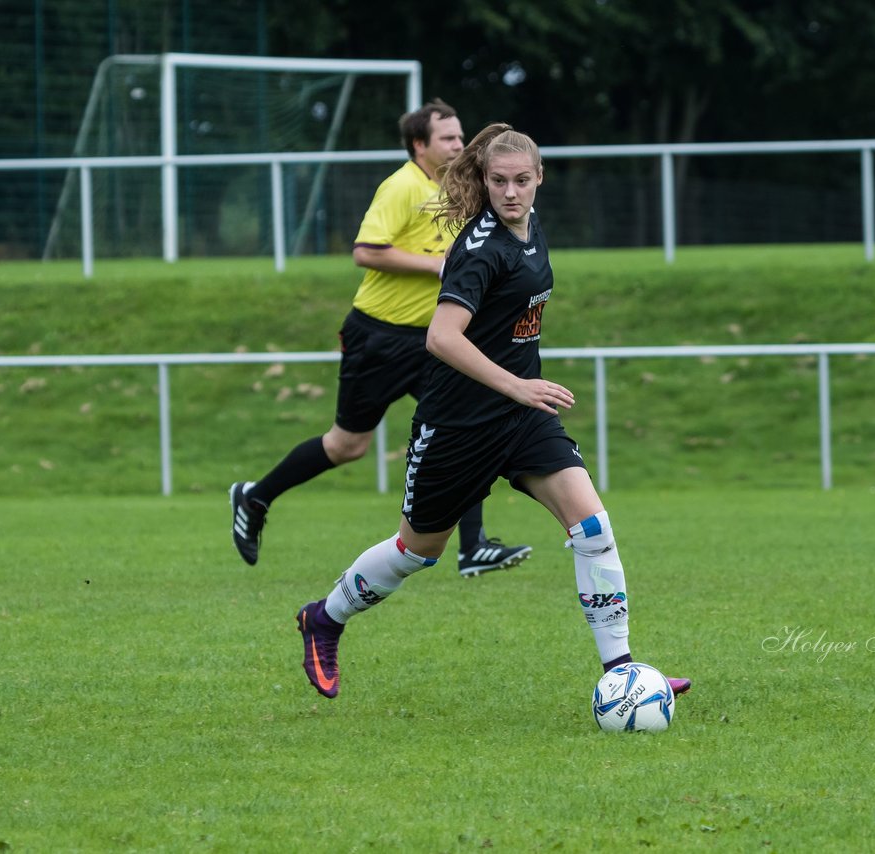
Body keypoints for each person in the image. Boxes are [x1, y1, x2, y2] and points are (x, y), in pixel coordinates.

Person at [294, 122, 690, 701]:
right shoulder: (481, 249)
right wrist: (520, 385)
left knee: (593, 527)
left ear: (538, 180)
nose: (510, 192)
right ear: (485, 180)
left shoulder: (532, 232)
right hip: (457, 425)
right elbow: (442, 338)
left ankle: (621, 669)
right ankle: (324, 618)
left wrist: (521, 395)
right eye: (499, 181)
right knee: (417, 552)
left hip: (520, 420)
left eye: (522, 181)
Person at [230, 99, 532, 578]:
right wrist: (439, 266)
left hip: (433, 339)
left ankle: (472, 547)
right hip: (379, 338)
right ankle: (255, 496)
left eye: (460, 136)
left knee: (466, 422)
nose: (458, 144)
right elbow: (366, 251)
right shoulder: (402, 187)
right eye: (447, 138)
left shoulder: (460, 189)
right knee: (348, 446)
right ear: (419, 145)